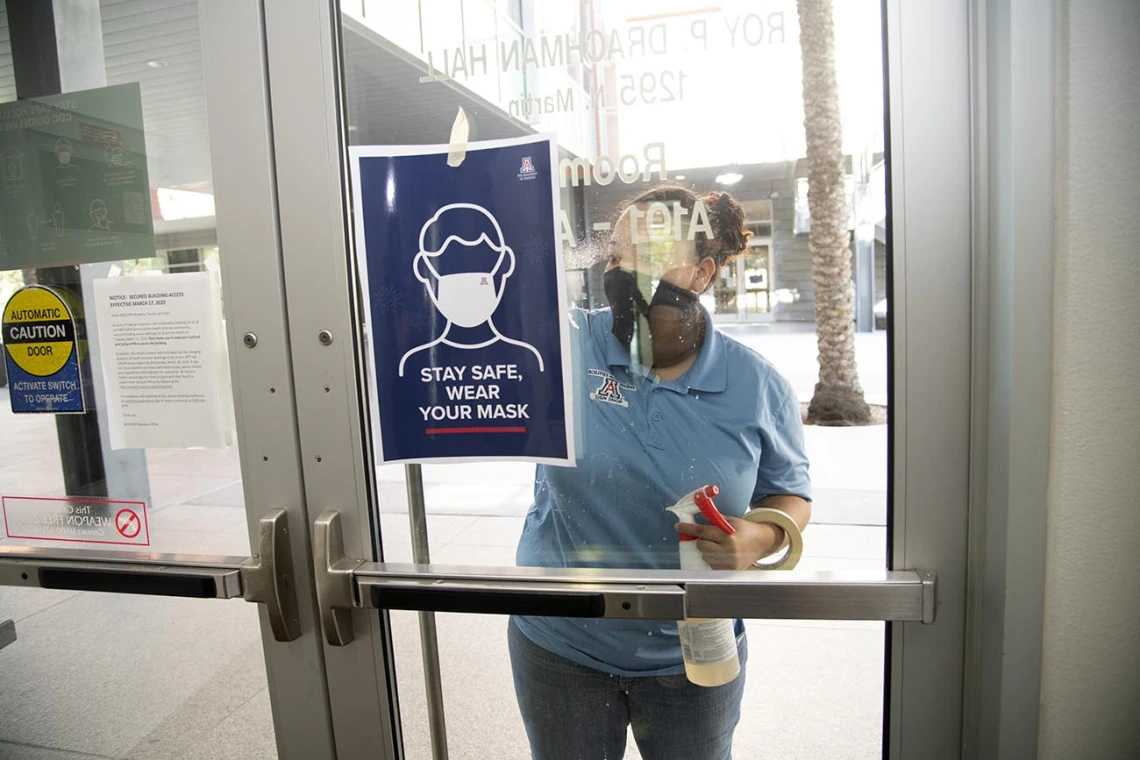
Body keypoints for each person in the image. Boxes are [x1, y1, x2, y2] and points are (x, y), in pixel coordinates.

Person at [510, 185, 812, 760]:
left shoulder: (755, 385)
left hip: (692, 653)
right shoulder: (567, 346)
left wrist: (759, 538)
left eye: (649, 253)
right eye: (620, 253)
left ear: (701, 274)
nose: (625, 269)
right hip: (561, 642)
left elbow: (791, 490)